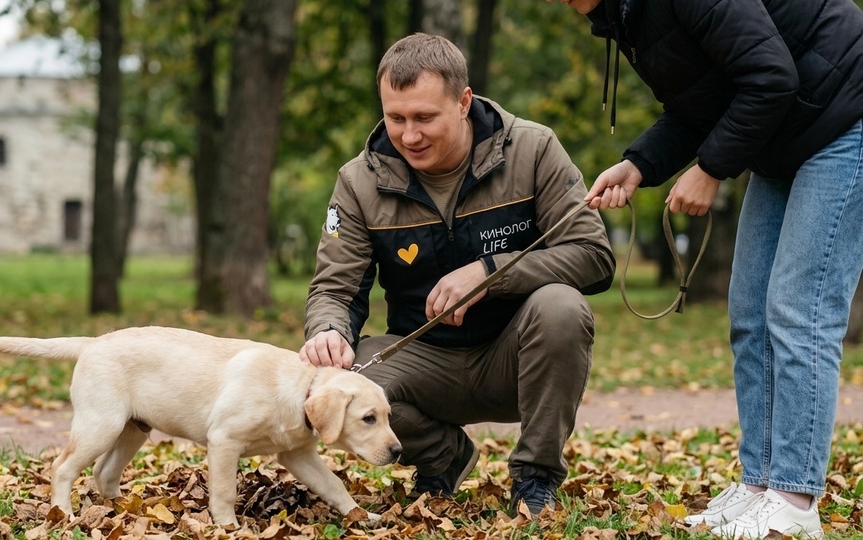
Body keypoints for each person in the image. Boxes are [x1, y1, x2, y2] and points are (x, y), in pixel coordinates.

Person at [549, 0, 863, 537]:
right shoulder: (626, 18)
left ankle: (794, 500)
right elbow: (703, 106)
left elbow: (769, 77)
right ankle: (760, 483)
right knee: (749, 313)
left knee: (798, 311)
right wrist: (639, 164)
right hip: (785, 138)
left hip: (844, 116)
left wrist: (711, 169)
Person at [299, 33, 616, 516]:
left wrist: (491, 273)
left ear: (464, 102)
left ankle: (535, 479)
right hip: (421, 364)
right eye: (395, 118)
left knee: (562, 306)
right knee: (346, 373)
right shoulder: (358, 181)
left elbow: (593, 255)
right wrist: (327, 331)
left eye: (425, 117)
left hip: (515, 360)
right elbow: (334, 287)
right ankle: (443, 456)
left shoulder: (533, 149)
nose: (409, 135)